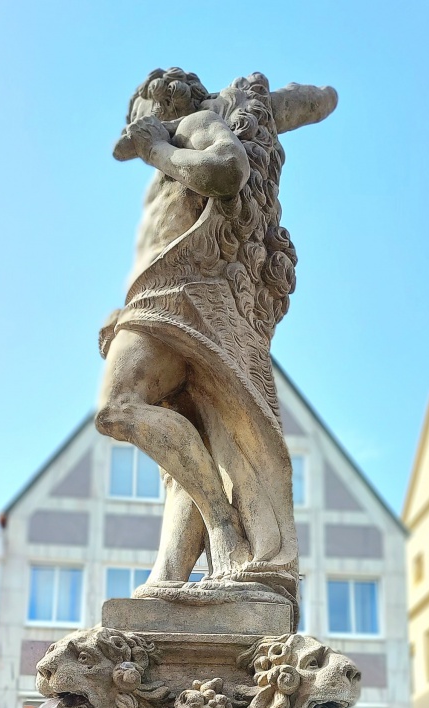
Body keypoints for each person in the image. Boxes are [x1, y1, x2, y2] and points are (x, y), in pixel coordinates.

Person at [96, 68, 337, 616]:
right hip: (157, 294)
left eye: (135, 114)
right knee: (192, 441)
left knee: (117, 408)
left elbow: (228, 171)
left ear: (156, 104)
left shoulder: (193, 127)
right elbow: (164, 237)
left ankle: (225, 528)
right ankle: (172, 573)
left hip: (183, 297)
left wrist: (156, 145)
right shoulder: (166, 155)